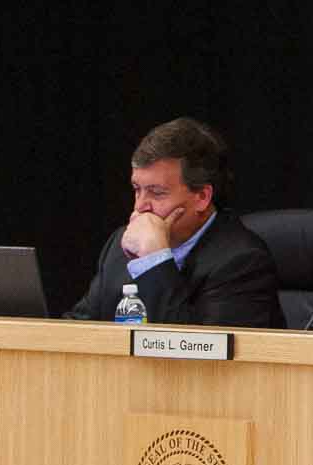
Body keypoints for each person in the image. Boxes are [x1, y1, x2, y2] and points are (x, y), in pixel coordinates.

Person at [65, 117, 283, 327]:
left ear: (202, 197)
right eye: (137, 190)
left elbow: (194, 353)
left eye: (156, 193)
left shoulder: (242, 262)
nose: (140, 206)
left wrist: (154, 261)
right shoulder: (120, 246)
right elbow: (78, 329)